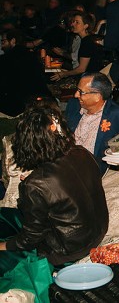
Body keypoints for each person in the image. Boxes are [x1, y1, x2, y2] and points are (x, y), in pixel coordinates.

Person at [0, 105, 108, 273]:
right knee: (6, 216)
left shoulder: (35, 184)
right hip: (97, 233)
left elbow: (30, 238)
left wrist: (4, 246)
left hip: (66, 251)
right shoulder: (81, 152)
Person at [65, 72, 119, 173]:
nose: (76, 95)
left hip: (93, 171)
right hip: (66, 165)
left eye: (81, 92)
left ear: (97, 96)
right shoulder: (73, 105)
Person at [0, 29, 52, 117]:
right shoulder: (31, 55)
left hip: (18, 105)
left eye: (3, 41)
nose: (2, 45)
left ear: (12, 41)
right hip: (40, 99)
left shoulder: (5, 59)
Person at [50, 11, 105, 81]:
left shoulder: (87, 42)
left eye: (77, 22)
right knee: (50, 68)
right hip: (87, 76)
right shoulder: (85, 39)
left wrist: (64, 74)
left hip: (88, 80)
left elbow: (81, 69)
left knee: (49, 70)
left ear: (85, 26)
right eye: (73, 21)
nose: (72, 24)